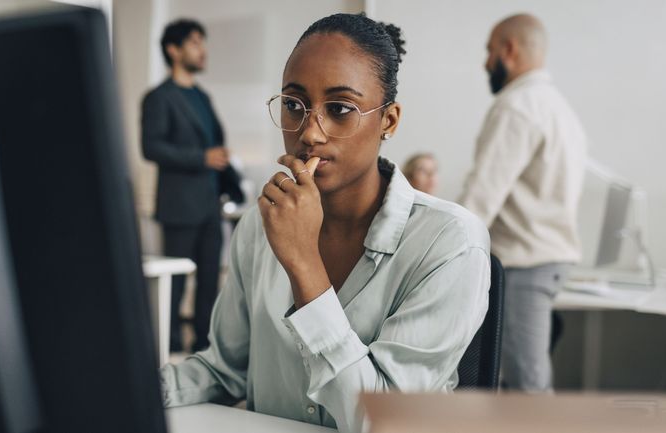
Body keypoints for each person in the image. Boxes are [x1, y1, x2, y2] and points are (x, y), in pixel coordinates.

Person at [160, 13, 490, 432]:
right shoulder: (260, 225)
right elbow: (223, 370)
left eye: (340, 109)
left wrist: (304, 265)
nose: (310, 134)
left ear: (388, 121)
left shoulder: (449, 241)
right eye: (293, 105)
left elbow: (383, 422)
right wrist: (121, 391)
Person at [458, 14, 587, 392]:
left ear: (509, 50)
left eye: (489, 51)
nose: (485, 63)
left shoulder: (517, 106)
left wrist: (440, 253)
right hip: (543, 261)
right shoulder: (559, 108)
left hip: (522, 265)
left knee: (527, 388)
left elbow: (481, 196)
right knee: (523, 384)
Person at [141, 19, 243, 353]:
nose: (203, 50)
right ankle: (167, 347)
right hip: (179, 206)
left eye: (203, 42)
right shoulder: (159, 98)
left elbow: (214, 144)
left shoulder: (202, 96)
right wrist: (202, 158)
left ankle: (204, 348)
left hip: (210, 205)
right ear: (174, 50)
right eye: (195, 43)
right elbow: (151, 147)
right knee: (174, 283)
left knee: (210, 282)